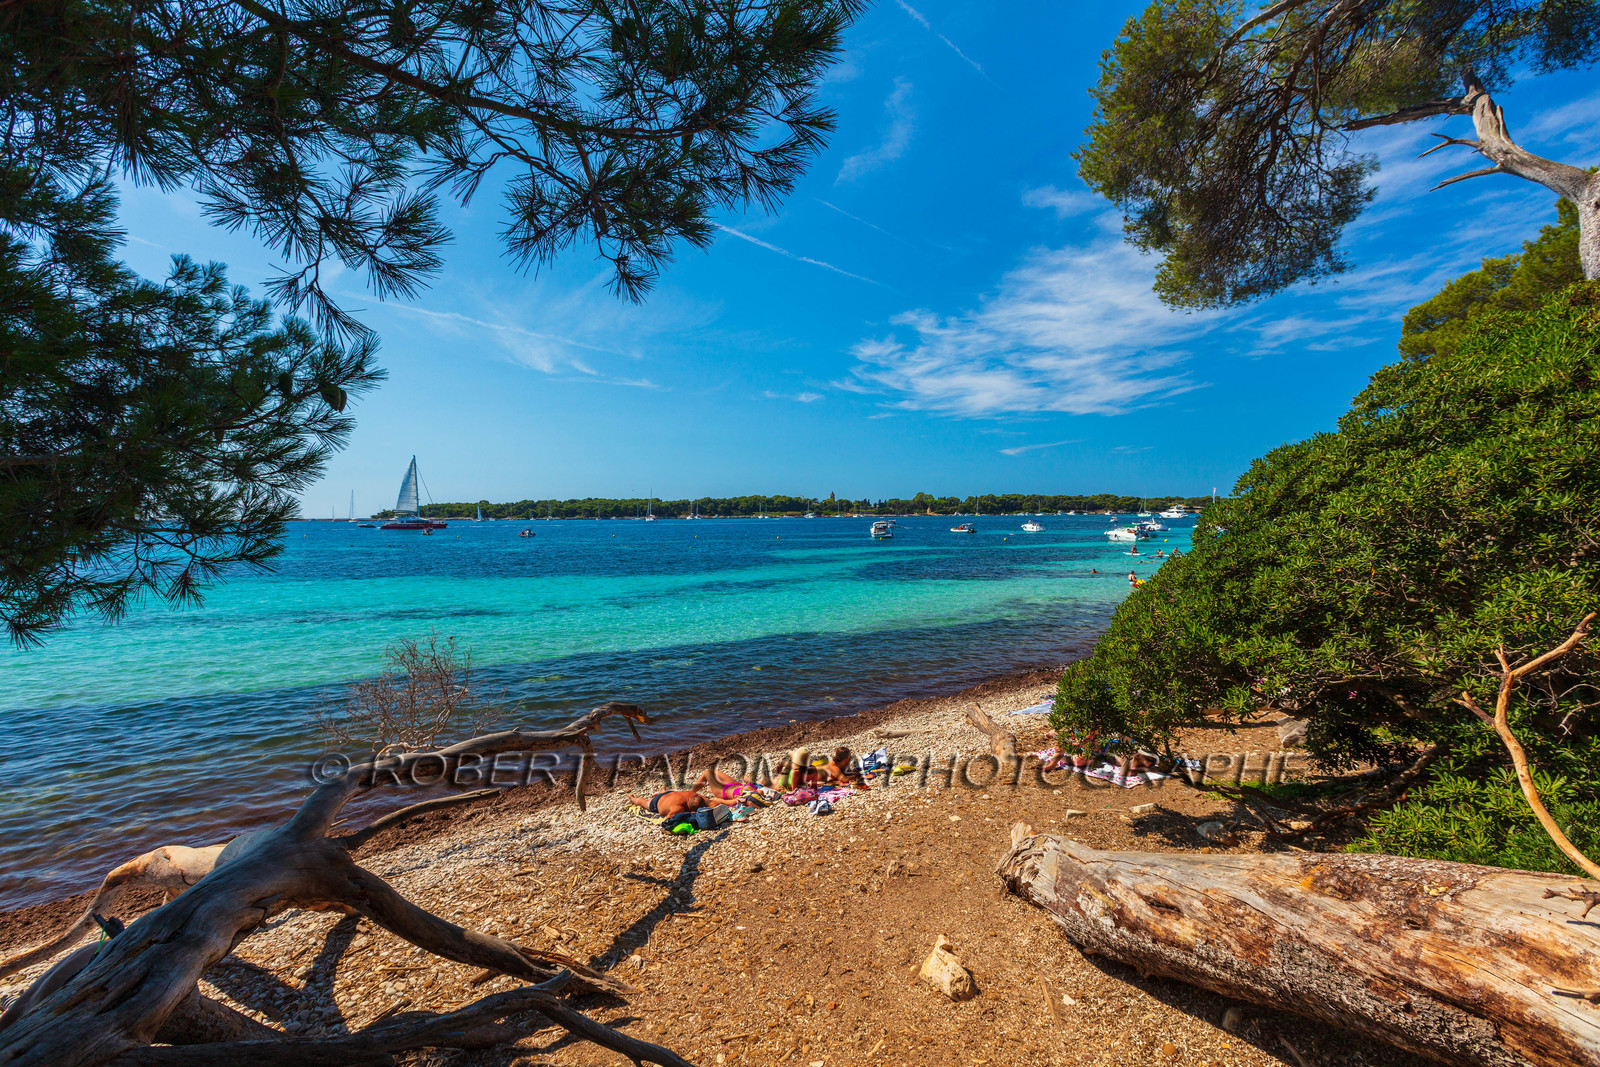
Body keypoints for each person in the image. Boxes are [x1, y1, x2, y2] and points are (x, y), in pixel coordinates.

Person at [627, 788, 732, 821]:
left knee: (669, 794)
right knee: (644, 802)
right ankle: (632, 798)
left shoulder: (693, 794)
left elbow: (713, 803)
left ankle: (662, 791)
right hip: (657, 802)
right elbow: (668, 818)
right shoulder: (679, 808)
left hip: (671, 793)